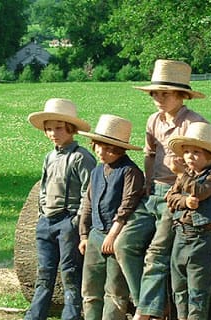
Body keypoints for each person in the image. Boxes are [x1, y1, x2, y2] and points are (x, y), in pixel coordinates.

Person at [130, 59, 209, 319]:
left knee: (156, 252)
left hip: (177, 195)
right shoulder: (153, 120)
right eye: (155, 93)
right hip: (152, 192)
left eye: (165, 93)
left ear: (181, 95)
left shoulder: (194, 124)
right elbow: (150, 153)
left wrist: (181, 178)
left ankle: (145, 313)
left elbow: (203, 167)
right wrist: (146, 182)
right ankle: (148, 302)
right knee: (123, 245)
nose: (158, 98)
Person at [24, 98, 96, 320]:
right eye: (49, 129)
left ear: (71, 129)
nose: (53, 133)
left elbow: (89, 192)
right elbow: (44, 188)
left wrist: (76, 221)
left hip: (68, 221)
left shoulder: (81, 157)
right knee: (44, 273)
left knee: (70, 273)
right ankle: (35, 316)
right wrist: (40, 214)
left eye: (58, 128)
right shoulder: (50, 157)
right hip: (46, 221)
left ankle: (71, 316)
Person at [77, 114, 146, 320]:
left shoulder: (130, 172)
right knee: (90, 290)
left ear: (120, 149)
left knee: (114, 290)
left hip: (115, 235)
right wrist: (84, 235)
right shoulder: (97, 170)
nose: (102, 152)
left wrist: (113, 235)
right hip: (95, 234)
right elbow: (88, 203)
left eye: (108, 149)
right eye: (99, 146)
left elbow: (127, 205)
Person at [166, 122, 211, 320]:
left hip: (202, 237)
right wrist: (185, 201)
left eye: (196, 152)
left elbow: (200, 192)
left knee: (198, 290)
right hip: (181, 233)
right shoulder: (186, 175)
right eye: (187, 152)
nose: (189, 157)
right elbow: (170, 198)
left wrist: (181, 174)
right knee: (179, 288)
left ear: (210, 157)